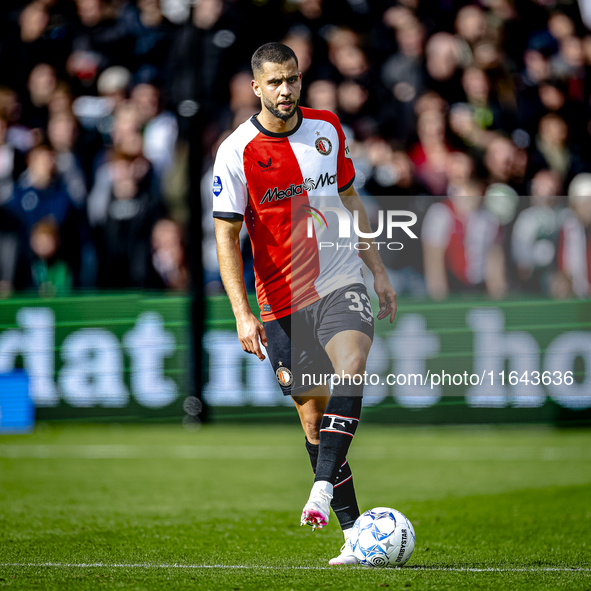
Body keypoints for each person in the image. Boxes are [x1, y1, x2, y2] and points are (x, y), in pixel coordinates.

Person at [212, 42, 397, 566]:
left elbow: (349, 199)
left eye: (292, 79)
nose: (286, 89)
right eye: (275, 82)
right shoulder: (236, 151)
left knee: (352, 367)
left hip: (342, 281)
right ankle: (354, 536)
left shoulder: (327, 129)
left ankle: (319, 490)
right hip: (280, 301)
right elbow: (226, 237)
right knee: (313, 421)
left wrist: (378, 270)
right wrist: (241, 312)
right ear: (256, 88)